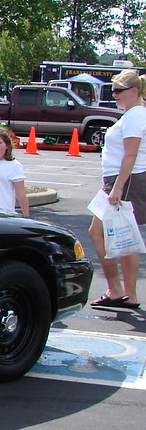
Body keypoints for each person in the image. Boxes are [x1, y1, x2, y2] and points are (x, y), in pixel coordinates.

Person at [88, 69, 146, 310]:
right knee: (104, 233)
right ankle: (118, 290)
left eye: (118, 91)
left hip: (126, 180)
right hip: (117, 179)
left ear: (134, 91)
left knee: (122, 235)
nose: (115, 95)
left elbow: (130, 154)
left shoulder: (135, 115)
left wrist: (117, 188)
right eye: (113, 91)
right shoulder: (131, 114)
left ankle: (124, 293)